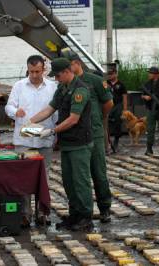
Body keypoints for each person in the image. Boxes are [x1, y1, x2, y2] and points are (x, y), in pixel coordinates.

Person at [30, 58, 94, 231]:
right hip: (67, 143)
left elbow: (74, 119)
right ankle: (75, 215)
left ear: (67, 71)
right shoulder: (62, 88)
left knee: (80, 181)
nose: (56, 79)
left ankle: (86, 216)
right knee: (68, 182)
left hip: (79, 143)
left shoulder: (80, 90)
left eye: (58, 76)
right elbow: (50, 109)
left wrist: (52, 131)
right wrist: (29, 122)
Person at [5, 55, 56, 227]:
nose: (34, 75)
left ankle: (43, 213)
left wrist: (55, 133)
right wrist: (14, 112)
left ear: (44, 70)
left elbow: (56, 112)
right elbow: (8, 106)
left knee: (45, 177)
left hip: (44, 137)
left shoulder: (52, 86)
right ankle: (25, 214)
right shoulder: (19, 86)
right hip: (24, 138)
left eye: (37, 71)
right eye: (31, 71)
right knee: (23, 178)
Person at [62, 50, 113, 223]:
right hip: (77, 135)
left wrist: (98, 119)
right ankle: (78, 211)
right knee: (77, 176)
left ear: (77, 63)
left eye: (68, 65)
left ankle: (105, 207)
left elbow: (108, 103)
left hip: (95, 133)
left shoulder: (95, 80)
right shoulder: (65, 84)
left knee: (98, 172)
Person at [142, 66, 159, 155]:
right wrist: (145, 97)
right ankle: (149, 148)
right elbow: (142, 95)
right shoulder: (147, 84)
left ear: (156, 75)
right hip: (151, 109)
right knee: (150, 129)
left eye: (150, 73)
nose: (149, 74)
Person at [106, 68, 127, 152]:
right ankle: (108, 140)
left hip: (118, 105)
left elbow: (124, 97)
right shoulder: (106, 83)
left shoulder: (121, 84)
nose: (110, 76)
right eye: (109, 74)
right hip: (108, 105)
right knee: (107, 122)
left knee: (118, 121)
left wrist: (125, 109)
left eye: (112, 74)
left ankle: (116, 139)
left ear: (116, 74)